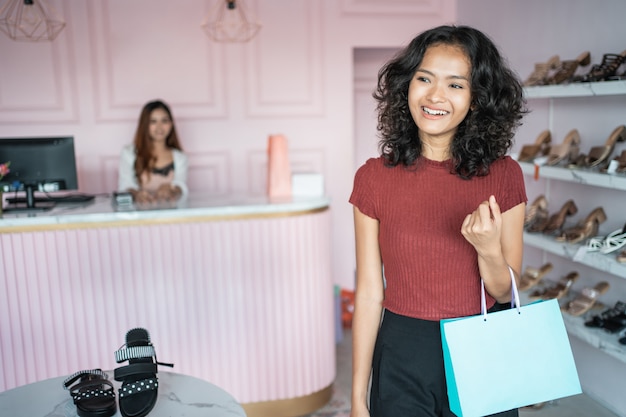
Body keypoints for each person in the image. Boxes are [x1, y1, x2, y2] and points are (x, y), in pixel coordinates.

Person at [349, 25, 528, 417]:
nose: (435, 96)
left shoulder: (504, 175)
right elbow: (368, 293)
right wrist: (357, 399)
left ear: (477, 100)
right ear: (406, 86)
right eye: (424, 79)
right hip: (402, 353)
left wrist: (487, 250)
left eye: (455, 85)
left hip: (482, 350)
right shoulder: (373, 178)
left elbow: (506, 293)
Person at [118, 99, 188, 203]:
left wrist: (172, 190)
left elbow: (181, 186)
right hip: (138, 216)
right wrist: (137, 195)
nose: (159, 127)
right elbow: (125, 185)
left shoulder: (180, 157)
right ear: (144, 124)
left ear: (171, 124)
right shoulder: (129, 153)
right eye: (153, 121)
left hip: (170, 215)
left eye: (164, 121)